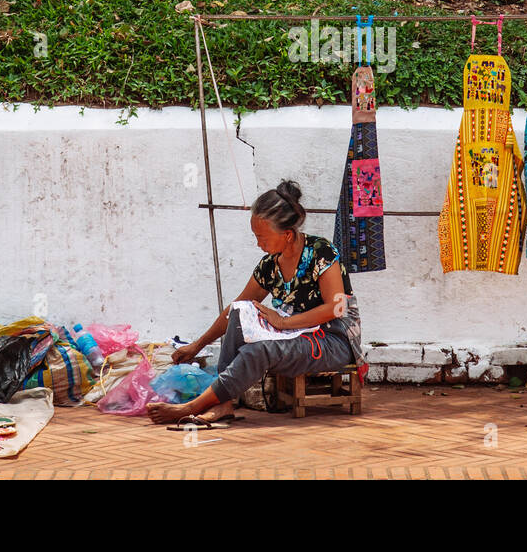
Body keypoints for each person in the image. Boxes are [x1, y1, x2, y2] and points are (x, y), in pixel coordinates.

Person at [146, 180, 364, 425]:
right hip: (293, 335)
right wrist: (196, 346)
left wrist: (283, 322)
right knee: (240, 312)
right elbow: (234, 309)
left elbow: (336, 308)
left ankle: (196, 406)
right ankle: (223, 405)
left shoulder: (321, 252)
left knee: (260, 350)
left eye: (262, 237)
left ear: (288, 234)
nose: (258, 243)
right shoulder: (270, 265)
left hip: (332, 339)